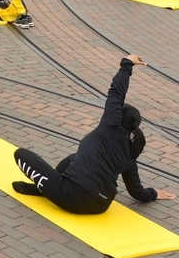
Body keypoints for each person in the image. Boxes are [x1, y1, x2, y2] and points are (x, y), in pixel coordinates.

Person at [13, 55, 175, 212]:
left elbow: (116, 93)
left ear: (118, 118)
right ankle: (47, 186)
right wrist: (153, 194)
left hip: (70, 198)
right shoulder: (130, 154)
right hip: (100, 206)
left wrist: (127, 64)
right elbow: (136, 191)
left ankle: (48, 188)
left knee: (20, 154)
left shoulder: (110, 126)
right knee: (73, 159)